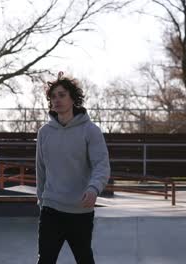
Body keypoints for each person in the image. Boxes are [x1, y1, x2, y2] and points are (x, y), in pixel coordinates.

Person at [35, 72, 111, 264]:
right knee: (45, 260)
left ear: (73, 98)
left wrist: (94, 189)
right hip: (51, 209)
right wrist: (41, 200)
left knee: (84, 260)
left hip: (80, 211)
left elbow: (101, 165)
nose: (57, 100)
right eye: (53, 96)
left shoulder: (90, 131)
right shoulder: (44, 133)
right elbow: (41, 169)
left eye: (62, 95)